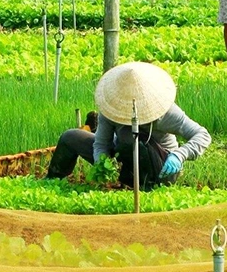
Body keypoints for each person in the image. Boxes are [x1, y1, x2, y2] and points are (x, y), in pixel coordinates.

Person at [46, 62, 210, 189]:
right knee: (70, 137)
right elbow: (102, 143)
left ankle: (146, 188)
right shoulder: (111, 109)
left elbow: (202, 135)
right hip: (121, 156)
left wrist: (179, 155)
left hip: (159, 168)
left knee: (132, 139)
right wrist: (100, 162)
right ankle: (52, 183)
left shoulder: (165, 113)